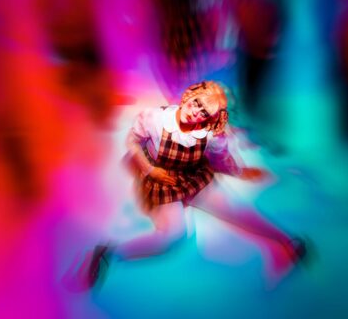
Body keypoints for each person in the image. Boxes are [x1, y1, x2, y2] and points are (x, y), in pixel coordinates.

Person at [84, 81, 306, 288]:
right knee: (173, 236)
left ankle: (290, 244)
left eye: (204, 112)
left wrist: (240, 172)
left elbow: (220, 161)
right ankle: (108, 252)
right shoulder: (156, 118)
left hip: (194, 177)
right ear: (188, 95)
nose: (195, 112)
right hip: (162, 181)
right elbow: (133, 141)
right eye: (197, 103)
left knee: (236, 210)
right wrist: (150, 169)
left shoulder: (210, 134)